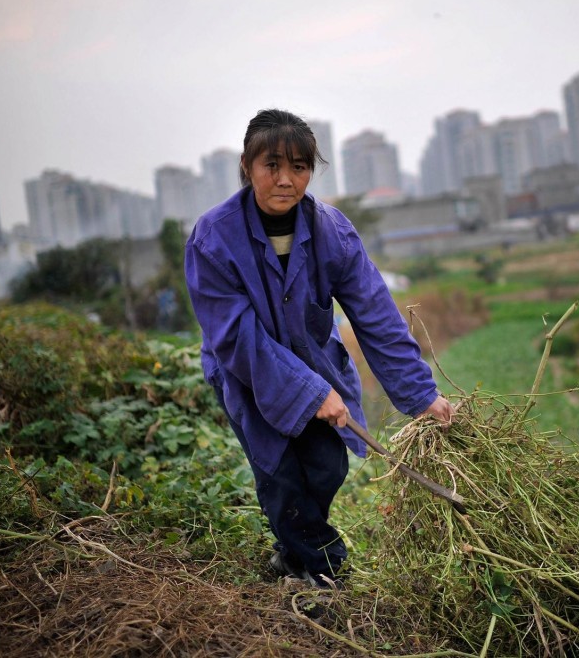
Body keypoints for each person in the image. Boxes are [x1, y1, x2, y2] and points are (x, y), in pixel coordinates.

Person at [185, 108, 453, 588]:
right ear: (247, 166)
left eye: (300, 167)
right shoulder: (213, 238)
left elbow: (375, 315)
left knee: (327, 466)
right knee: (280, 473)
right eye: (272, 165)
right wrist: (309, 395)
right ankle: (326, 571)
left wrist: (421, 396)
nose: (286, 180)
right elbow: (235, 336)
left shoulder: (332, 232)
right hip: (246, 372)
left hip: (315, 362)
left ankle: (291, 553)